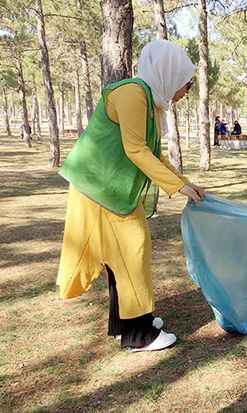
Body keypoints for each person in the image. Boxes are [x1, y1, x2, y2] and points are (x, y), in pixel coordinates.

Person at [56, 40, 205, 352]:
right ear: (170, 74)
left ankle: (128, 323)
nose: (186, 91)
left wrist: (184, 182)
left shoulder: (149, 103)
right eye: (186, 83)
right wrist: (177, 187)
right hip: (99, 189)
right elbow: (136, 150)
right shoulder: (132, 94)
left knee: (124, 256)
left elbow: (153, 154)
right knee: (132, 250)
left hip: (111, 189)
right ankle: (138, 335)